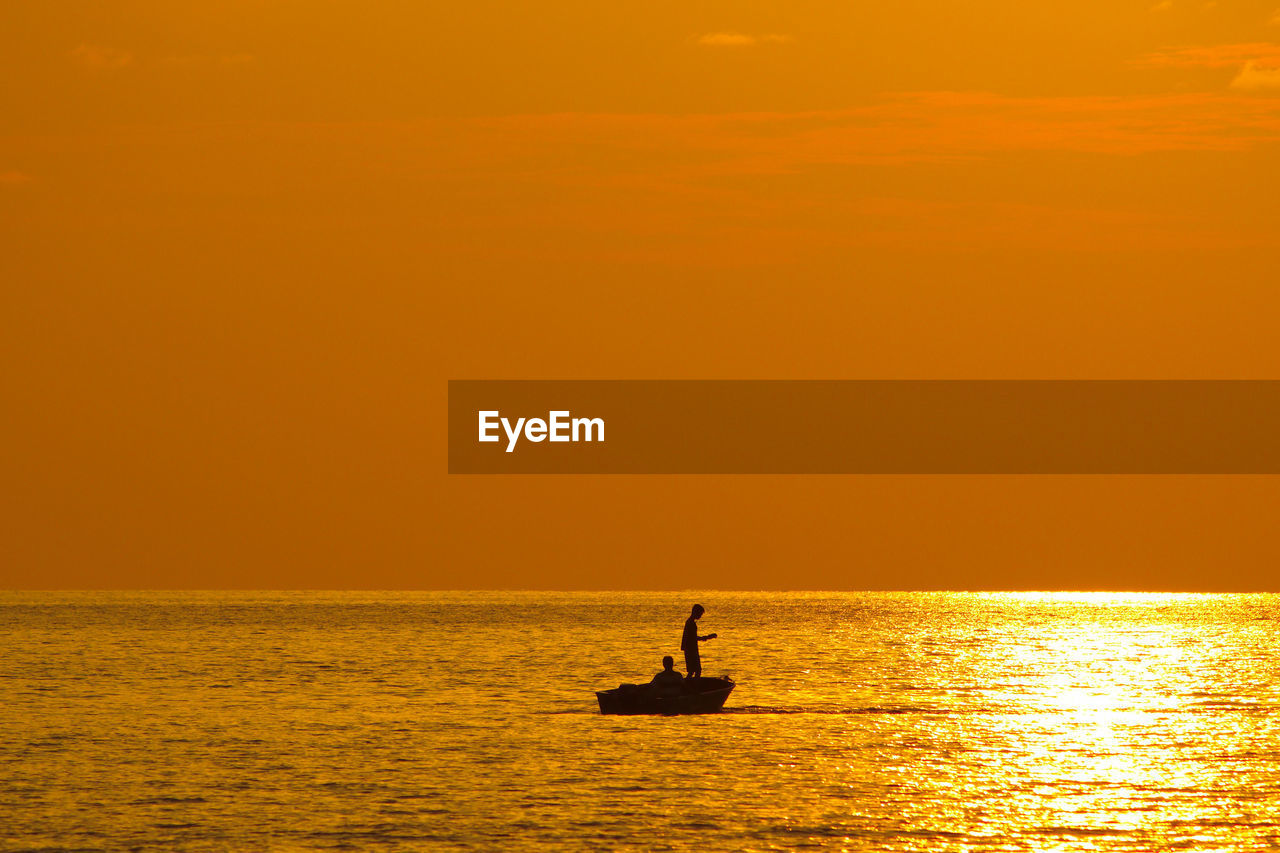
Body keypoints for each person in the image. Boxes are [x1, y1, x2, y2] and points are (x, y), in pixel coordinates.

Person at [680, 603, 717, 678]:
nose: (700, 616)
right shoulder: (690, 623)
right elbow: (693, 638)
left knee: (693, 671)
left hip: (690, 649)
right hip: (690, 649)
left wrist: (706, 637)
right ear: (695, 612)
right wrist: (707, 637)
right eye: (700, 614)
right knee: (696, 670)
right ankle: (693, 686)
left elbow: (692, 637)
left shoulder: (690, 622)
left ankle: (690, 685)